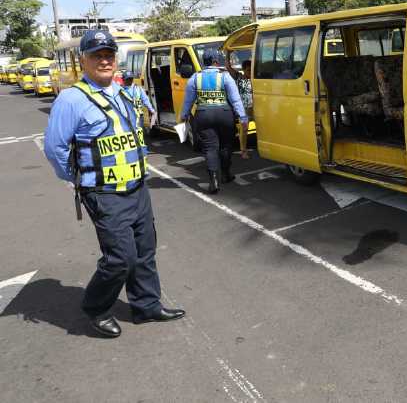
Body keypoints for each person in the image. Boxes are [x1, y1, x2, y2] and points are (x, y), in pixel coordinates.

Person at [44, 29, 185, 339]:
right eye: (97, 56)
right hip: (105, 193)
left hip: (137, 187)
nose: (105, 60)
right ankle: (96, 308)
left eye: (109, 55)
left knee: (145, 251)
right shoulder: (71, 99)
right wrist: (79, 179)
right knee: (120, 258)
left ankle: (146, 306)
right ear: (84, 61)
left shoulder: (120, 92)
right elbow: (55, 149)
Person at [180, 49, 248, 194]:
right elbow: (235, 99)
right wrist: (243, 117)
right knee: (225, 146)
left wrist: (183, 116)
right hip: (224, 113)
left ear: (204, 62)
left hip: (203, 114)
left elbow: (188, 102)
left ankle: (214, 181)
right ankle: (226, 174)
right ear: (216, 61)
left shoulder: (194, 78)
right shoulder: (225, 77)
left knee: (210, 148)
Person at [236, 60, 253, 160]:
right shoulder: (239, 77)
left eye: (251, 70)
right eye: (248, 70)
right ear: (243, 70)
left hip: (255, 107)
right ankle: (243, 151)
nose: (250, 72)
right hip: (244, 108)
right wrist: (228, 54)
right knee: (244, 129)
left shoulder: (255, 78)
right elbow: (228, 67)